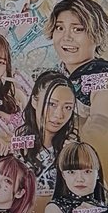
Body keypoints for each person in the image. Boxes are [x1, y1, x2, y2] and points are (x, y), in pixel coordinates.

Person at [19, 68, 83, 197]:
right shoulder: (17, 145)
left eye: (67, 107)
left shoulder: (73, 148)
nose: (59, 115)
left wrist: (75, 163)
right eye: (52, 104)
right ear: (34, 101)